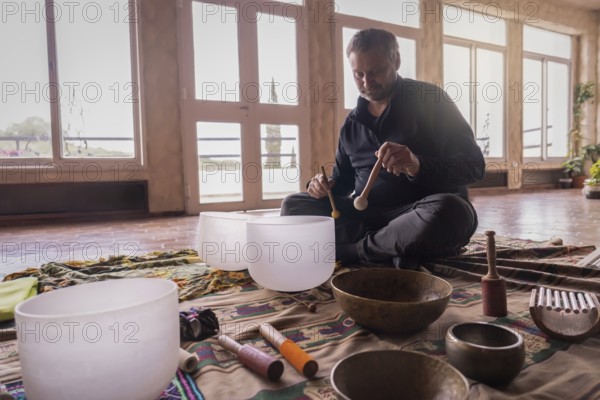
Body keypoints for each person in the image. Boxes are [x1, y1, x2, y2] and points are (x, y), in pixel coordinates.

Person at [281, 28, 485, 268]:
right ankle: (391, 248)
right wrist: (321, 186)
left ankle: (354, 250)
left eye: (375, 72)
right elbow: (342, 180)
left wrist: (417, 165)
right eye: (358, 74)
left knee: (451, 210)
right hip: (369, 219)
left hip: (420, 213)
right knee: (293, 205)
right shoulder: (351, 123)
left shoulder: (432, 100)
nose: (367, 82)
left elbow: (474, 166)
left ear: (396, 60)